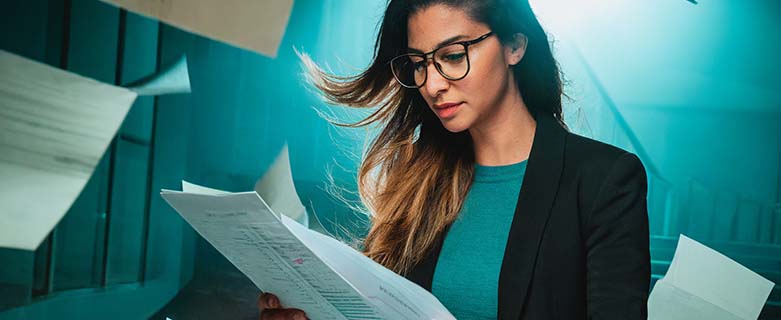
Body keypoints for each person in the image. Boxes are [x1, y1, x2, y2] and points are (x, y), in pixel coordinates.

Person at [259, 0, 650, 319]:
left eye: (452, 54)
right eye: (418, 63)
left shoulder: (604, 180)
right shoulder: (417, 180)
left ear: (515, 45)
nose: (432, 84)